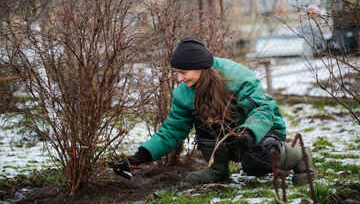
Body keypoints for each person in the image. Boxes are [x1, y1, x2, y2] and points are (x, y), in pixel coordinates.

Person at [111, 37, 316, 185]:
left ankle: (299, 157)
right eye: (177, 73)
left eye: (183, 73)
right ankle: (218, 170)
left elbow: (261, 111)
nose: (179, 79)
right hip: (231, 134)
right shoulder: (184, 93)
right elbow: (172, 130)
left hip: (263, 129)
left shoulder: (237, 77)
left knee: (254, 162)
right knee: (202, 118)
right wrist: (140, 156)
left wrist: (249, 133)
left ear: (200, 67)